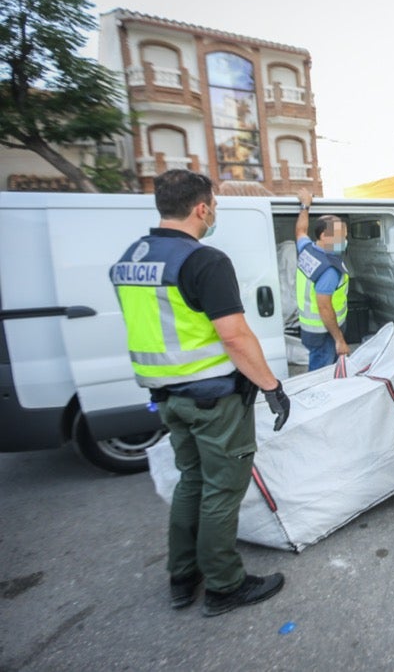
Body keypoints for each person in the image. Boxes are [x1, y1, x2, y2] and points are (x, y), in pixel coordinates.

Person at [109, 170, 290, 616]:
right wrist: (271, 386)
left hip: (168, 398)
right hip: (213, 399)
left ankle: (182, 575)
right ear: (201, 208)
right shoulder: (203, 261)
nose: (214, 215)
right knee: (222, 491)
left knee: (191, 482)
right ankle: (225, 585)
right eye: (215, 207)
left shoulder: (130, 259)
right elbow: (234, 336)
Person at [294, 189, 349, 370]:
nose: (345, 240)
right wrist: (339, 339)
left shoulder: (307, 249)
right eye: (341, 236)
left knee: (318, 367)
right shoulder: (329, 269)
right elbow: (324, 307)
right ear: (324, 236)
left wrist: (305, 206)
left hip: (310, 328)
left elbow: (300, 231)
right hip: (325, 332)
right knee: (322, 375)